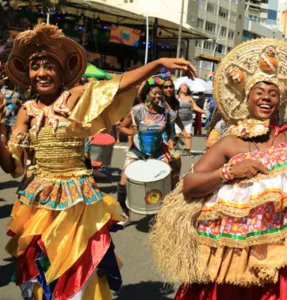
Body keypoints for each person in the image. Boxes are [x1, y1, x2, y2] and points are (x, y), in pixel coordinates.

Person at [149, 39, 287, 299]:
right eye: (259, 91)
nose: (266, 97)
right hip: (238, 258)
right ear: (247, 98)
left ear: (280, 101)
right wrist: (229, 173)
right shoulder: (230, 143)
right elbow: (190, 185)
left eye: (273, 93)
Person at [0, 24, 196, 299]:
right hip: (38, 201)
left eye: (49, 66)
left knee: (76, 265)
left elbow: (119, 84)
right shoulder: (26, 111)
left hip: (77, 199)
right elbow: (12, 167)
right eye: (35, 67)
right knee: (43, 266)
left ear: (62, 71)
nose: (42, 73)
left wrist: (157, 64)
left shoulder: (76, 96)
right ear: (28, 74)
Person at [117, 77, 181, 226]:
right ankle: (126, 215)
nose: (158, 96)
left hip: (158, 151)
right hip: (138, 151)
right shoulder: (137, 111)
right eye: (154, 93)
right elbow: (122, 127)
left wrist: (170, 140)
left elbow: (169, 130)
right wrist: (130, 131)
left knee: (167, 178)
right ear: (147, 94)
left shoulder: (164, 113)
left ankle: (164, 212)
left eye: (159, 94)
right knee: (123, 182)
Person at [177, 83, 207, 155]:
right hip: (178, 120)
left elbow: (195, 107)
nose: (185, 89)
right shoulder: (176, 97)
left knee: (188, 135)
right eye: (184, 87)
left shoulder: (190, 97)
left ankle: (188, 151)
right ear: (180, 89)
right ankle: (178, 149)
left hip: (188, 120)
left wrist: (204, 112)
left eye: (186, 88)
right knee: (178, 135)